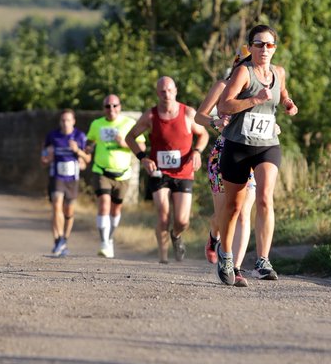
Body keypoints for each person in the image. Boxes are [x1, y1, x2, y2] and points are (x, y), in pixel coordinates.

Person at [212, 23, 298, 285]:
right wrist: (254, 100)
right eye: (258, 44)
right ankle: (225, 255)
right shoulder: (243, 73)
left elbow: (281, 90)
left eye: (269, 44)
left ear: (275, 48)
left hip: (267, 144)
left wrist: (287, 103)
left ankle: (263, 260)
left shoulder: (278, 72)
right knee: (234, 207)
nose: (264, 49)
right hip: (238, 145)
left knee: (264, 197)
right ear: (250, 47)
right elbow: (224, 104)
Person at [124, 76, 209, 264]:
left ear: (176, 91)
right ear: (157, 93)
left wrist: (197, 151)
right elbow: (130, 137)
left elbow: (203, 134)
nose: (166, 94)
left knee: (182, 221)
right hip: (159, 172)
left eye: (170, 90)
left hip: (184, 172)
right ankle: (163, 259)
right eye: (162, 91)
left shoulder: (187, 113)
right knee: (163, 214)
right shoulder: (151, 115)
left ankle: (176, 235)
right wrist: (143, 158)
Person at [196, 51, 255, 287]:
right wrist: (215, 122)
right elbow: (199, 116)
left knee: (243, 211)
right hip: (223, 151)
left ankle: (236, 267)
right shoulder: (222, 86)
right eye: (245, 63)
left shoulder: (260, 89)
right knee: (223, 215)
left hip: (251, 151)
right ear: (237, 64)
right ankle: (214, 235)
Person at [85, 94, 144, 259]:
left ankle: (109, 238)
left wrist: (124, 143)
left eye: (115, 106)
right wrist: (87, 148)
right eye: (107, 106)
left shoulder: (128, 123)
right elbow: (89, 141)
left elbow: (141, 145)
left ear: (120, 106)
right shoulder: (96, 124)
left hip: (123, 174)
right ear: (103, 108)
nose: (111, 109)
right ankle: (104, 243)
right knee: (104, 204)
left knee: (115, 209)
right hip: (101, 170)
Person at [42, 108, 91, 257]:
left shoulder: (80, 136)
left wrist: (77, 151)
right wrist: (48, 157)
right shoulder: (52, 136)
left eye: (68, 120)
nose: (65, 123)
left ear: (73, 121)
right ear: (60, 122)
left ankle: (64, 239)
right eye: (63, 120)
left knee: (68, 211)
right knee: (56, 206)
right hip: (56, 177)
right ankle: (57, 240)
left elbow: (87, 160)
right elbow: (43, 159)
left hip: (72, 179)